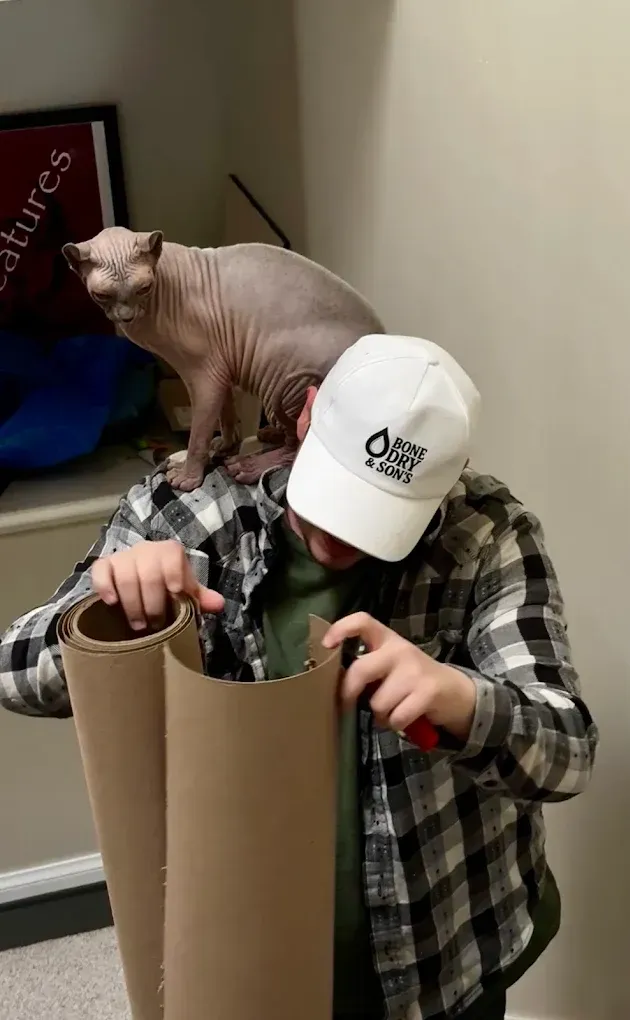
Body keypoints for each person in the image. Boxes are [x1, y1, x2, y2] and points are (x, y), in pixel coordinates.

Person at [0, 334, 598, 1020]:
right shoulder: (186, 515)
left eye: (381, 516)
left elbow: (566, 754)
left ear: (447, 483)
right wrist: (109, 616)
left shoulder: (485, 537)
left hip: (446, 943)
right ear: (306, 415)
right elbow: (14, 673)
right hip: (243, 944)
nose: (341, 539)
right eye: (338, 492)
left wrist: (461, 699)